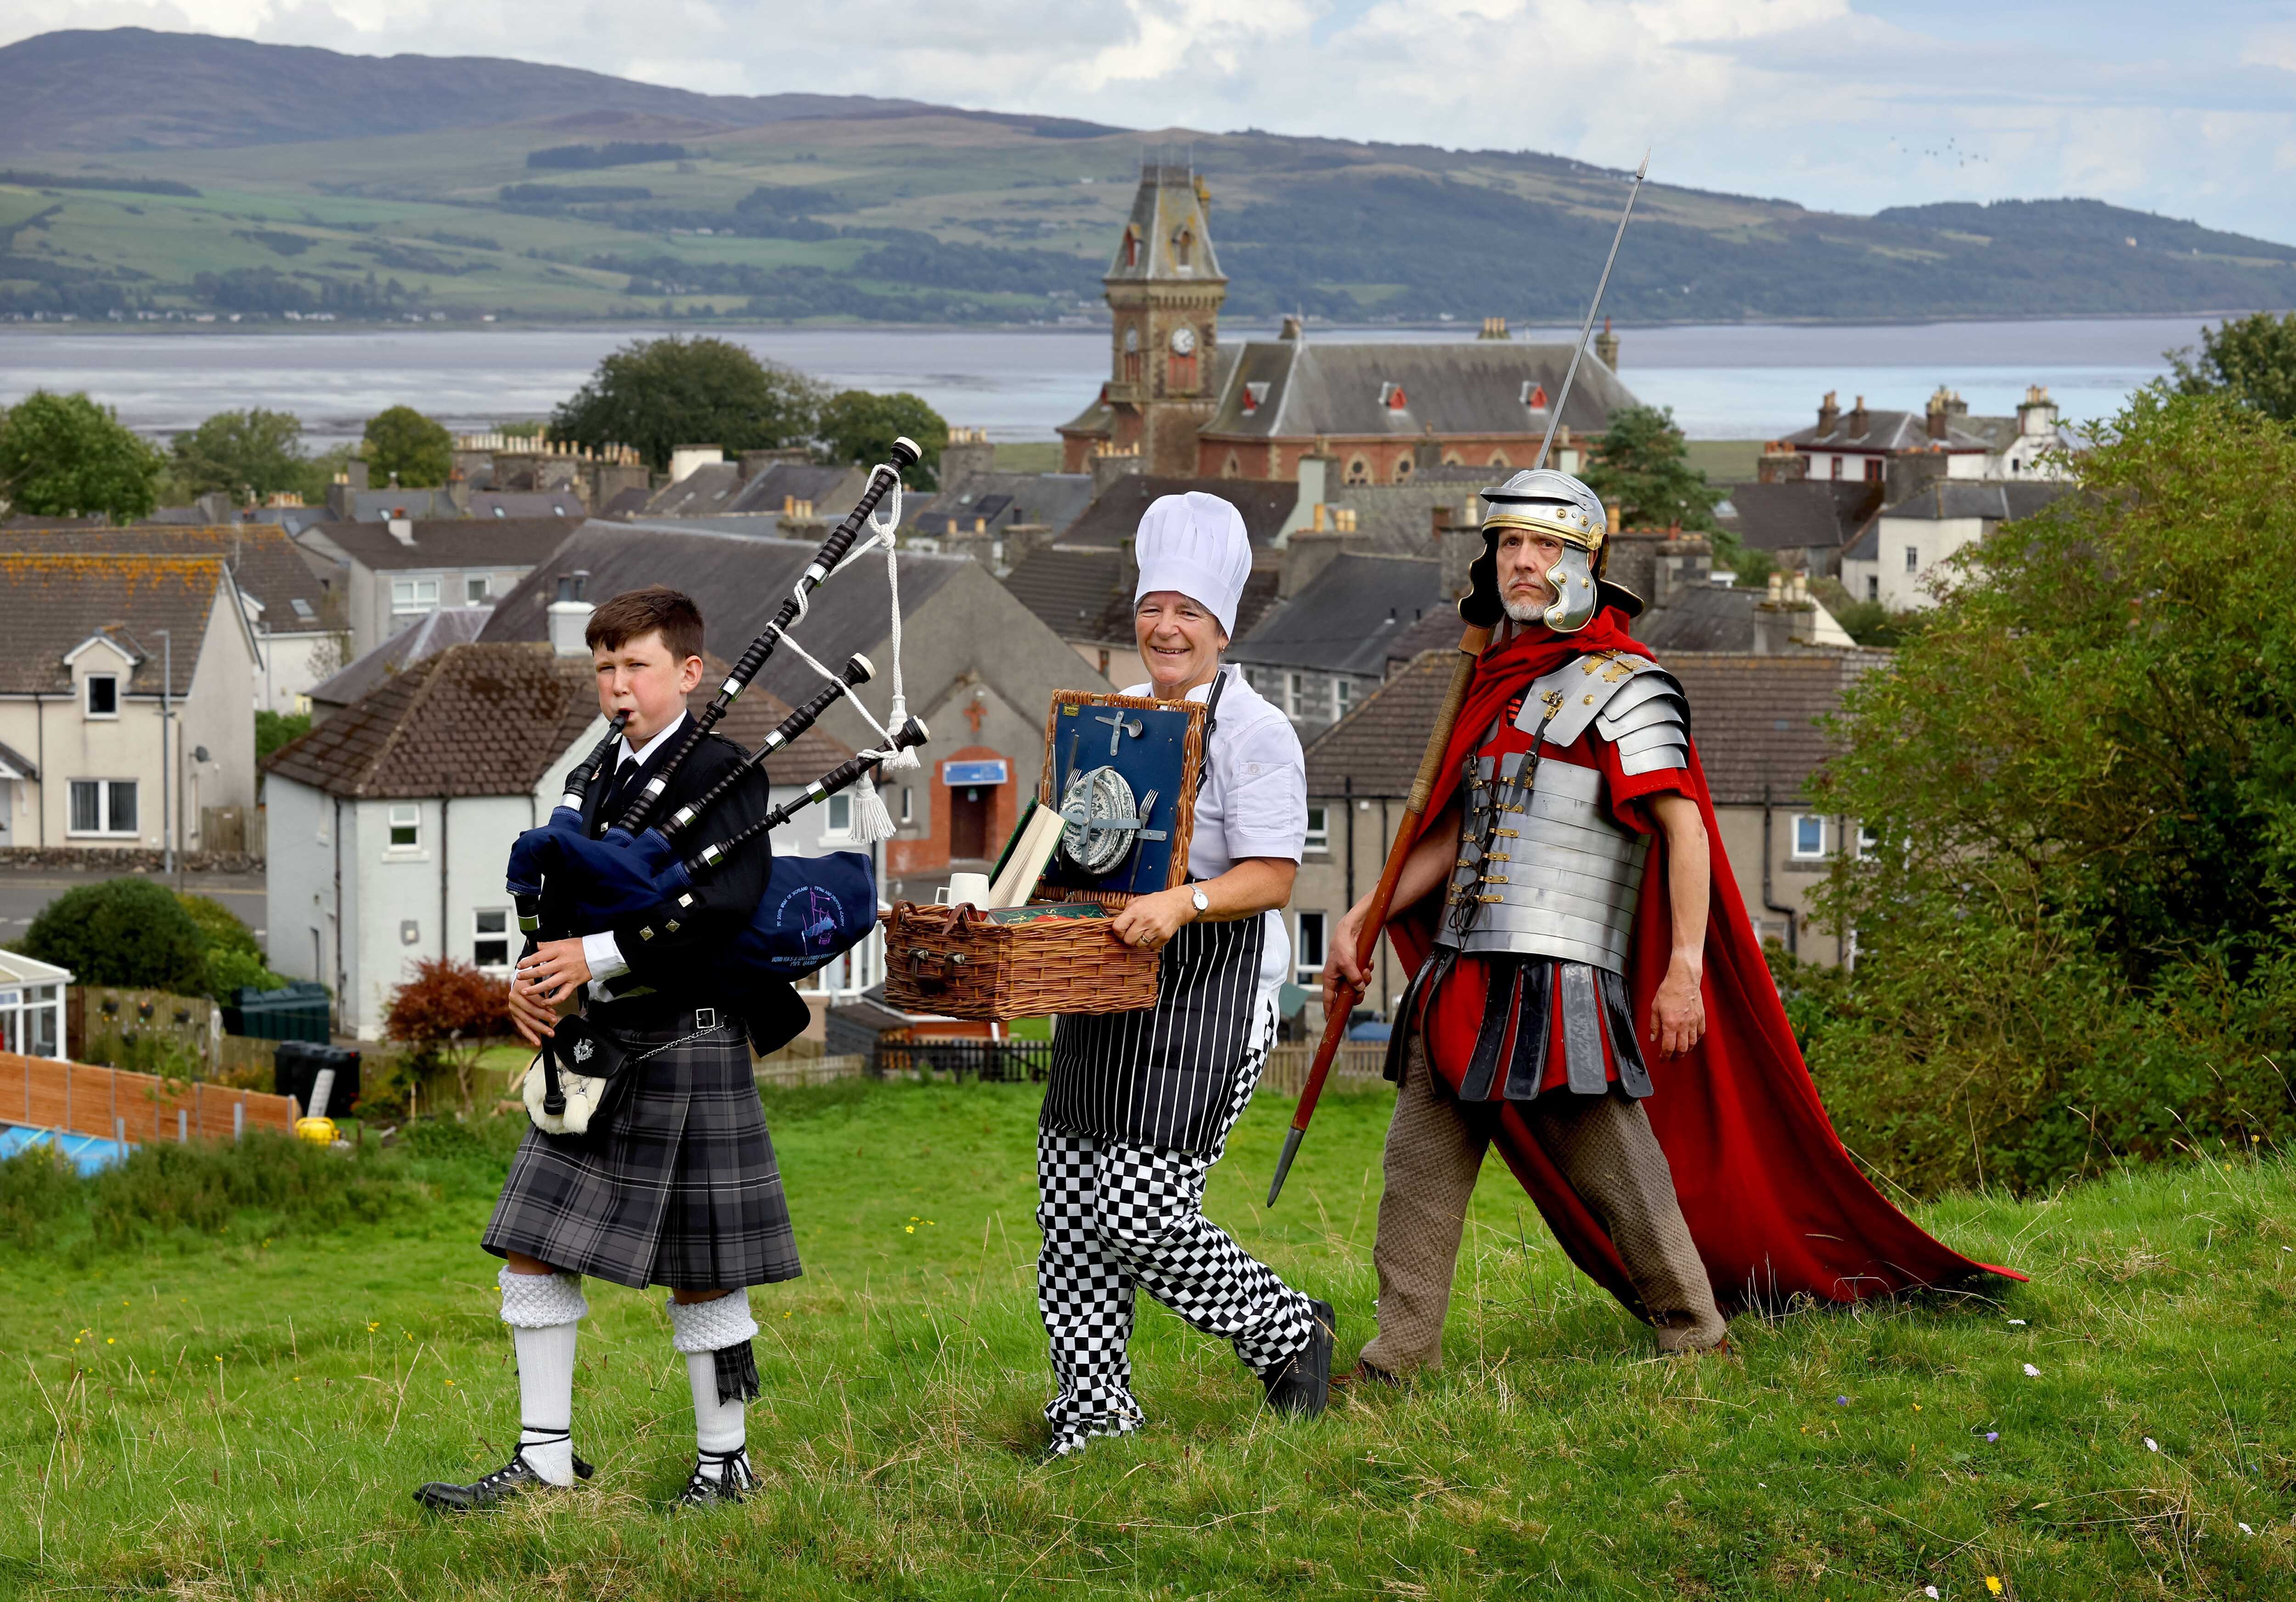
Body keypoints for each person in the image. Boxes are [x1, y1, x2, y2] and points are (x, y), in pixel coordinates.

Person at [1324, 470, 2014, 1387]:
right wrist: (1364, 915)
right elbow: (1452, 836)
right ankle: (1395, 1363)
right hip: (1460, 970)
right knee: (1416, 1171)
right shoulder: (1492, 680)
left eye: (1545, 546)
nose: (1522, 563)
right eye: (1507, 546)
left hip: (1556, 975)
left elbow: (1685, 827)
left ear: (1587, 561)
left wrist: (1682, 968)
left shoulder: (1628, 685)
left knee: (1617, 1170)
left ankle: (1696, 1331)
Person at [414, 586, 811, 1512]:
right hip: (599, 1044)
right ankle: (543, 1461)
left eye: (636, 665)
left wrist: (591, 955)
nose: (618, 685)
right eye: (604, 667)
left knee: (703, 1263)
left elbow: (724, 906)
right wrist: (533, 973)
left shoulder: (725, 771)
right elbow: (560, 898)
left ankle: (726, 1463)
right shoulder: (597, 778)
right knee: (530, 1249)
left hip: (689, 1036)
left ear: (688, 670)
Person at [1034, 491, 1333, 1458]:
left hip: (1211, 988)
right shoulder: (1110, 721)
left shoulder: (1255, 732)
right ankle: (1094, 1412)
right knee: (1071, 1207)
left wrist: (1183, 902)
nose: (1166, 628)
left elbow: (1275, 874)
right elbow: (1076, 852)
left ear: (1221, 628)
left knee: (1143, 1212)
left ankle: (1288, 1330)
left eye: (1189, 614)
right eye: (1154, 607)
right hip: (1104, 981)